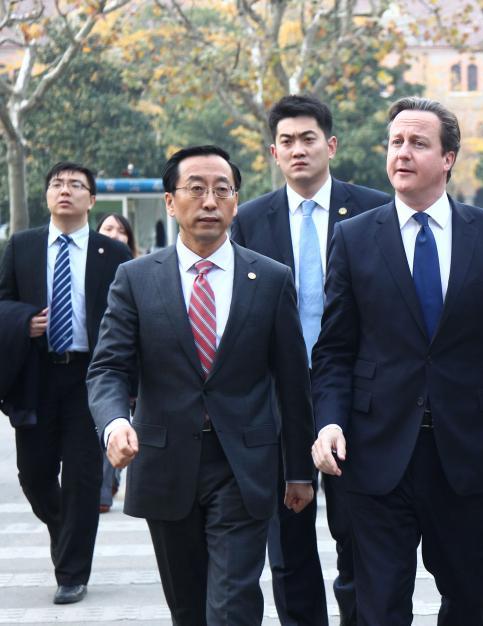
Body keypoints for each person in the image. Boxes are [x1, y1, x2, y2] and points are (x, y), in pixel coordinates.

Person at [311, 97, 483, 625]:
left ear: (448, 158)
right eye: (396, 142)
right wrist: (328, 420)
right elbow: (334, 349)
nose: (403, 152)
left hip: (468, 453)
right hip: (374, 453)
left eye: (419, 143)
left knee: (470, 601)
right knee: (379, 604)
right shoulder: (352, 238)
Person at [87, 146, 315, 625]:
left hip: (244, 465)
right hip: (166, 461)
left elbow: (293, 383)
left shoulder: (270, 279)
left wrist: (298, 470)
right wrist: (113, 424)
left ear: (235, 201)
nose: (209, 201)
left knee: (232, 606)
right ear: (171, 202)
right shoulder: (135, 279)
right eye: (196, 189)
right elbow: (109, 367)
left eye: (222, 190)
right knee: (188, 607)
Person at [230, 93, 390, 626]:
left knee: (360, 540)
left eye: (308, 139)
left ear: (331, 145)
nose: (298, 150)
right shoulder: (250, 220)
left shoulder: (373, 210)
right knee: (288, 548)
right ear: (273, 154)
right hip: (279, 401)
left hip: (353, 396)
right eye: (286, 142)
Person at [0, 162, 132, 604]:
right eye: (57, 183)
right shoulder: (20, 246)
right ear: (47, 195)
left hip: (89, 379)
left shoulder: (111, 253)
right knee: (34, 476)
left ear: (91, 200)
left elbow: (129, 314)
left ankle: (72, 572)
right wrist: (23, 323)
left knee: (82, 477)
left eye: (77, 185)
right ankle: (65, 526)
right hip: (36, 375)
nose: (65, 190)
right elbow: (2, 303)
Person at [94, 213, 138, 514]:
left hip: (135, 366)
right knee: (112, 421)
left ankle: (110, 480)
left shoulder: (139, 272)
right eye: (108, 228)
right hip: (104, 364)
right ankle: (104, 491)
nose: (114, 234)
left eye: (121, 230)